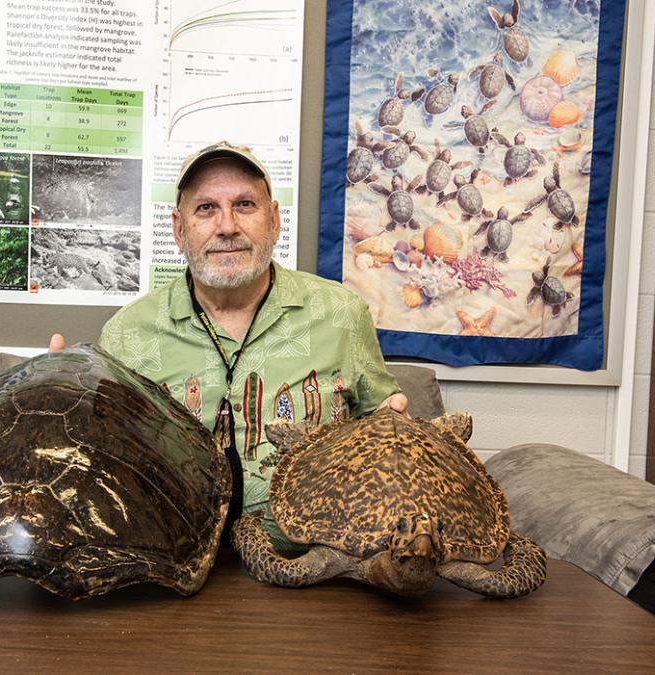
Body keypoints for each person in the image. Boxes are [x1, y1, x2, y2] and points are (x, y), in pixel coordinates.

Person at [49, 141, 406, 549]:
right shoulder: (127, 334)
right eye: (205, 209)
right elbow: (100, 465)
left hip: (317, 571)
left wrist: (396, 430)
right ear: (178, 230)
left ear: (274, 220)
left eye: (244, 205)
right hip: (170, 570)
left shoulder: (343, 314)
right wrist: (56, 412)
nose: (227, 226)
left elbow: (384, 426)